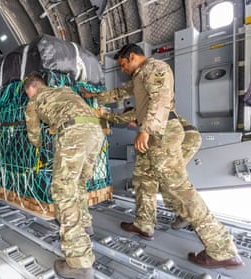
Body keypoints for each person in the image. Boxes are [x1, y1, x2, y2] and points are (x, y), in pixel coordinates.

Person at [82, 44, 244, 269]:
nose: (123, 70)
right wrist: (94, 97)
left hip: (163, 133)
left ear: (132, 57)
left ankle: (221, 250)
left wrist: (145, 129)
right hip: (156, 134)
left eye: (123, 65)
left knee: (178, 189)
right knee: (143, 179)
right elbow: (120, 93)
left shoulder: (155, 68)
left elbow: (160, 99)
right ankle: (144, 224)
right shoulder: (139, 77)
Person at [24, 72, 104, 279]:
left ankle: (79, 262)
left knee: (63, 191)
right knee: (79, 184)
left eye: (27, 93)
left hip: (74, 133)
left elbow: (33, 134)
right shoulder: (65, 91)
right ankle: (86, 225)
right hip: (95, 132)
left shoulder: (34, 101)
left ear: (31, 89)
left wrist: (38, 145)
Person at [87, 105, 201, 229]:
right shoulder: (151, 122)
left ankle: (182, 214)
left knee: (154, 178)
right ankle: (186, 213)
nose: (130, 125)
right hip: (190, 137)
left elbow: (118, 118)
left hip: (180, 139)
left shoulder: (142, 111)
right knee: (169, 178)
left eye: (129, 122)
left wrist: (102, 114)